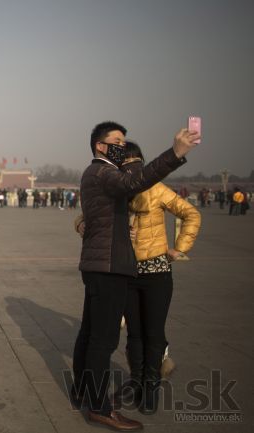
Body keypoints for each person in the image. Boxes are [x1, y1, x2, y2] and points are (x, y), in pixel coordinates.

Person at [72, 121, 199, 431]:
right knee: (103, 340)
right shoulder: (104, 172)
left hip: (108, 265)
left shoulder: (98, 174)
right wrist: (175, 153)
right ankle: (101, 407)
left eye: (124, 141)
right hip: (110, 267)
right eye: (116, 141)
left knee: (91, 334)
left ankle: (85, 392)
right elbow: (134, 183)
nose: (122, 146)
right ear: (101, 147)